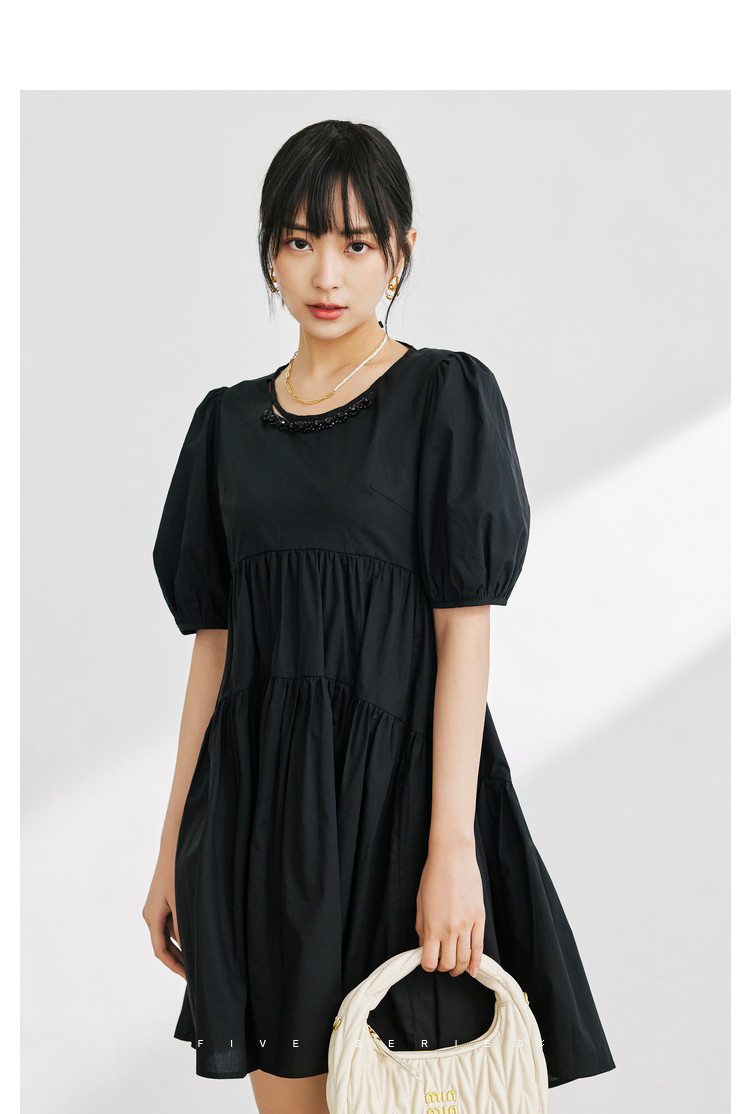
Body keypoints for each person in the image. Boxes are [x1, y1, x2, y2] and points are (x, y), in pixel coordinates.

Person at [142, 119, 616, 1113]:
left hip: (400, 815)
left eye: (357, 244)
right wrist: (173, 849)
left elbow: (462, 631)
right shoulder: (226, 425)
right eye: (301, 240)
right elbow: (213, 653)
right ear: (271, 251)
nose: (328, 273)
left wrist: (453, 850)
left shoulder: (444, 397)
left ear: (400, 252)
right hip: (264, 822)